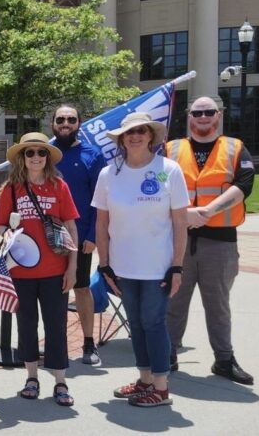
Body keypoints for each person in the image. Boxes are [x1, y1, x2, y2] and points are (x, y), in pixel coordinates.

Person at [93, 112, 189, 407]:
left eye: (141, 131)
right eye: (128, 133)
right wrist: (104, 262)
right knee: (136, 323)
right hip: (122, 266)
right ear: (121, 140)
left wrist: (177, 266)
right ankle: (145, 379)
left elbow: (180, 223)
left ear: (150, 136)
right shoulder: (109, 174)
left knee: (153, 322)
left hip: (157, 266)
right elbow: (101, 223)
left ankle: (161, 387)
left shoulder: (168, 170)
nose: (134, 137)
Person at [164, 96, 256, 385]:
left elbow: (244, 184)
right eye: (197, 112)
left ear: (219, 115)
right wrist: (185, 214)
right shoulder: (170, 149)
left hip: (220, 241)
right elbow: (154, 187)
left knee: (218, 304)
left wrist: (207, 211)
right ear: (189, 116)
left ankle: (224, 360)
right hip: (178, 240)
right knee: (173, 302)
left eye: (209, 112)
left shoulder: (235, 147)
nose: (203, 117)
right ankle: (167, 355)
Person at [0, 132, 79, 407]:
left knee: (57, 326)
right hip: (21, 271)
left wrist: (73, 267)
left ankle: (60, 381)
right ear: (22, 157)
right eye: (29, 153)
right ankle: (31, 377)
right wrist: (9, 234)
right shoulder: (11, 188)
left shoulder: (59, 186)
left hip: (55, 269)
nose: (35, 158)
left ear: (47, 157)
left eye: (40, 153)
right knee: (27, 325)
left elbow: (70, 226)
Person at [51, 105, 107, 365]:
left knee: (81, 288)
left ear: (79, 123)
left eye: (71, 119)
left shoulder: (92, 156)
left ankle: (88, 343)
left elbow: (100, 199)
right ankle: (55, 342)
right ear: (52, 123)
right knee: (52, 292)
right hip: (47, 237)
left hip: (81, 236)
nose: (65, 123)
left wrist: (93, 235)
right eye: (60, 119)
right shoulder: (45, 154)